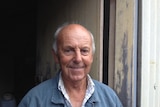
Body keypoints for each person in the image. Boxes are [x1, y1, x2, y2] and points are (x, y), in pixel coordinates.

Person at [18, 23, 123, 107]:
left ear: (91, 56)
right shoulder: (35, 100)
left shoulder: (109, 98)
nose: (78, 58)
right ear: (56, 56)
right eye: (69, 50)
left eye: (84, 51)